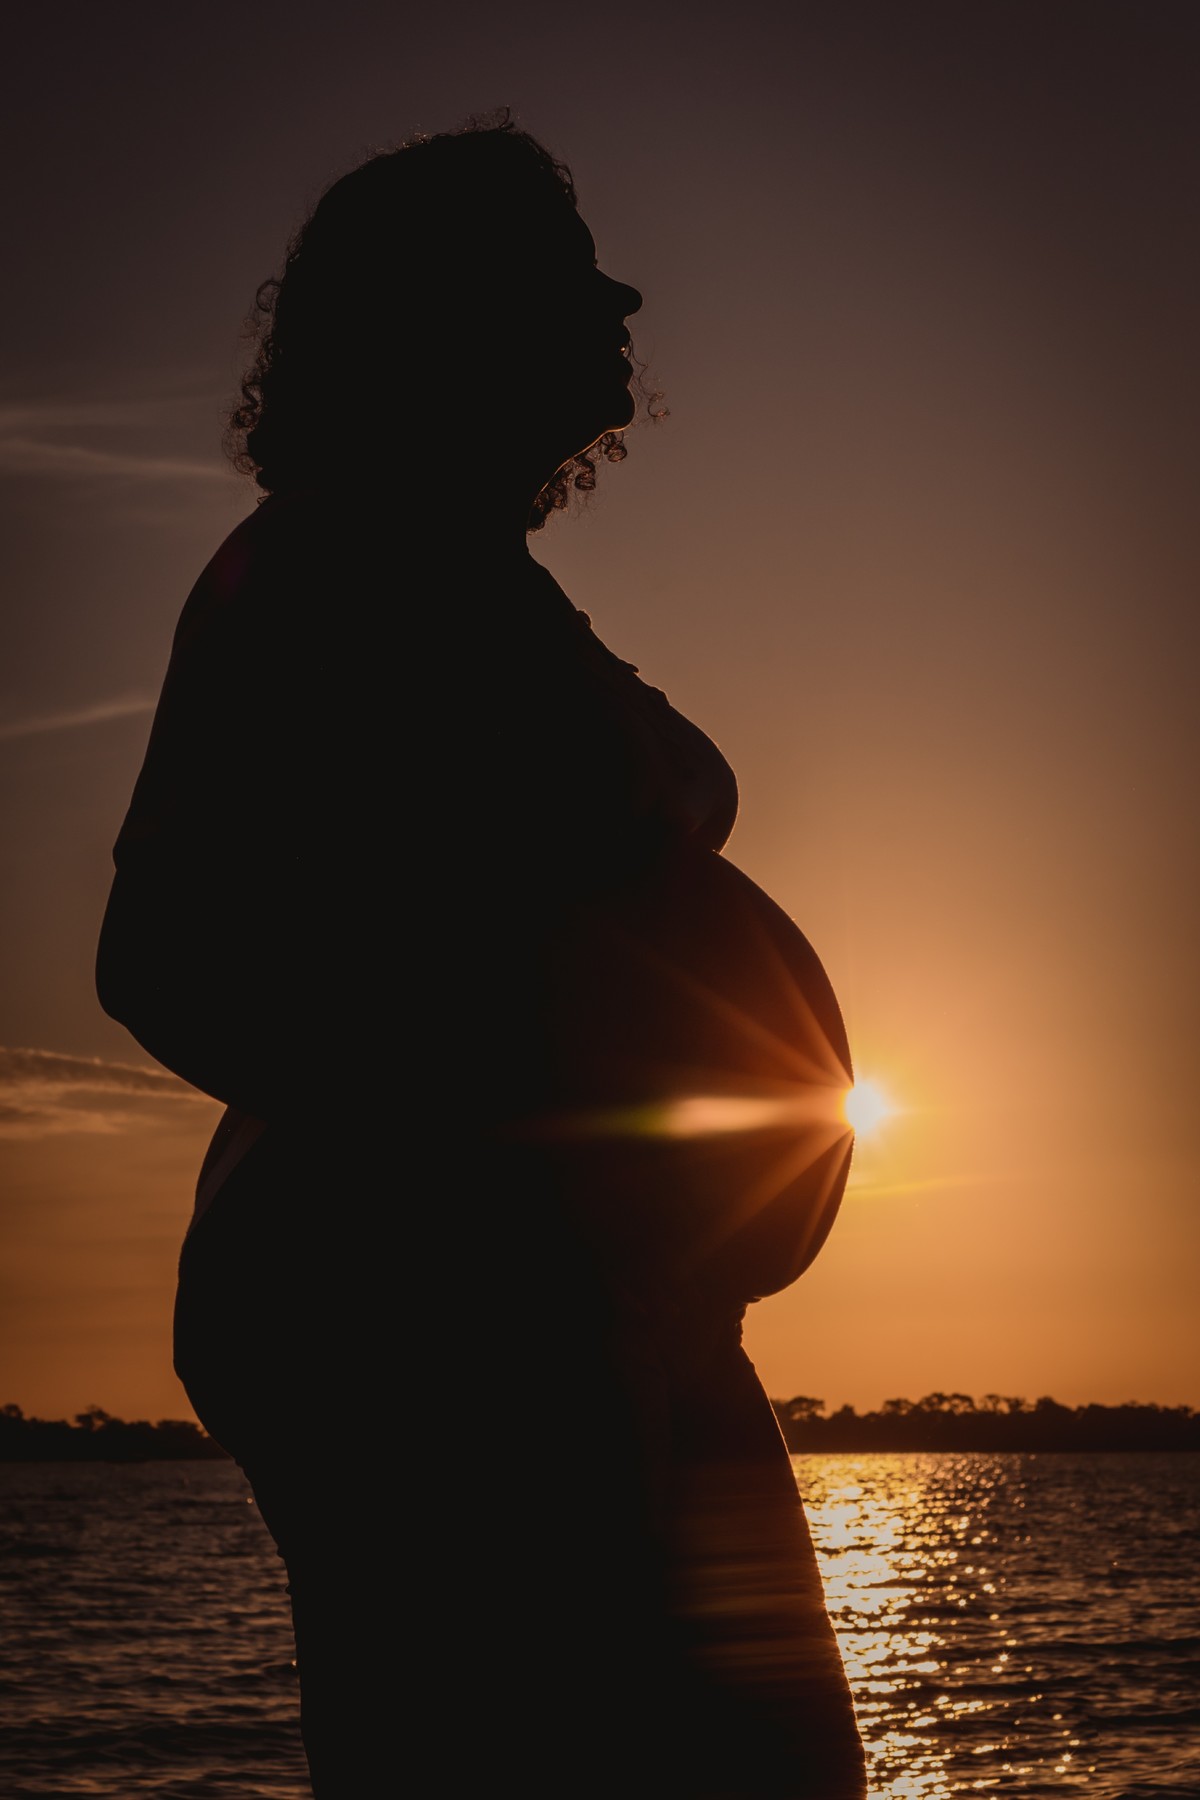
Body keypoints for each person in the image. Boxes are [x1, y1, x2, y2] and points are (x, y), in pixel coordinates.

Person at [96, 114, 867, 1798]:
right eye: (571, 269)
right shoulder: (316, 573)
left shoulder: (474, 582)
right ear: (452, 315)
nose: (627, 293)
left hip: (610, 1306)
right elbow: (161, 951)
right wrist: (491, 1144)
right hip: (453, 1334)